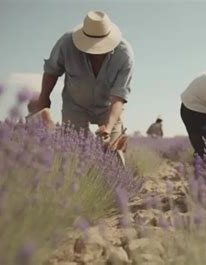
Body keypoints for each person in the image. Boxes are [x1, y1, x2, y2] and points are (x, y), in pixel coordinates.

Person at [31, 11, 134, 164]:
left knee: (114, 151)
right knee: (75, 154)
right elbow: (52, 71)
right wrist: (44, 99)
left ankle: (111, 185)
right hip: (75, 106)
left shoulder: (124, 54)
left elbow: (119, 96)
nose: (96, 52)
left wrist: (108, 126)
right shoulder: (66, 43)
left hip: (108, 108)